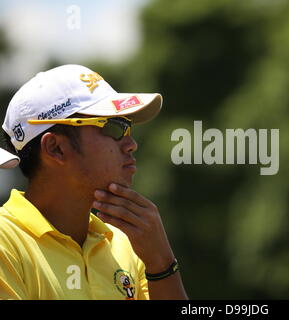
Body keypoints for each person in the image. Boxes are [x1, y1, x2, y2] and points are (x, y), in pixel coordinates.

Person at [0, 64, 188, 300]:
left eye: (128, 126)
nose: (131, 144)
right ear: (55, 148)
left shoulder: (127, 245)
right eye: (114, 127)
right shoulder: (5, 242)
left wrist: (162, 263)